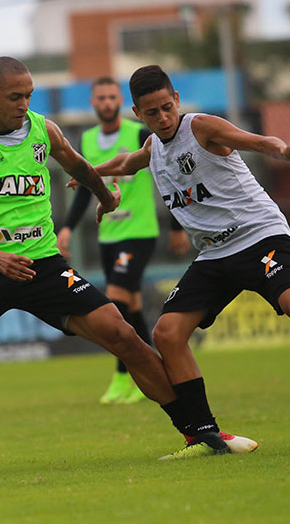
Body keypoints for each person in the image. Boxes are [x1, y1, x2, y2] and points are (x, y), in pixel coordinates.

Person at [0, 57, 256, 477]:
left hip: (44, 266)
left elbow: (76, 164)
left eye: (28, 95)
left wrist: (104, 195)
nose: (24, 104)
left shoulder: (43, 130)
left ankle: (197, 433)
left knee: (126, 337)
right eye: (14, 97)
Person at [70, 64, 290, 459]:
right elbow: (126, 162)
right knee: (167, 334)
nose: (163, 117)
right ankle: (205, 434)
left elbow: (256, 141)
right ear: (137, 114)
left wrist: (284, 151)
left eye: (167, 106)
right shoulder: (154, 148)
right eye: (152, 112)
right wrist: (89, 174)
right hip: (214, 255)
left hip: (260, 236)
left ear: (175, 100)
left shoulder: (201, 127)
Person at [56, 76, 191, 405]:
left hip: (140, 232)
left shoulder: (139, 134)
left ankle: (123, 374)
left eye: (111, 96)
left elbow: (168, 175)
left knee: (114, 299)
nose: (106, 102)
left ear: (121, 101)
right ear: (92, 102)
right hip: (109, 236)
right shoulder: (86, 140)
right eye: (100, 97)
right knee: (129, 307)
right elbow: (86, 191)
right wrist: (68, 228)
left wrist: (176, 226)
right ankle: (153, 373)